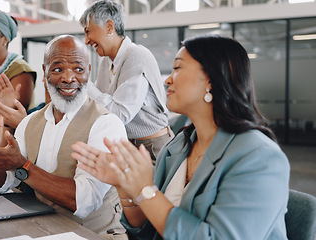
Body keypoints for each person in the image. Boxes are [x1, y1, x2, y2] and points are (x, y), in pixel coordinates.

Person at [71, 35, 290, 239]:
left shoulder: (260, 158)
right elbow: (148, 229)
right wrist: (124, 186)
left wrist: (145, 189)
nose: (167, 81)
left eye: (177, 68)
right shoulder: (178, 146)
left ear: (211, 80)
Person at [0, 35, 128, 238]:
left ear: (89, 72)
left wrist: (23, 166)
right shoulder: (30, 122)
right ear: (45, 72)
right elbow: (2, 184)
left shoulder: (106, 124)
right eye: (58, 69)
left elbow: (84, 201)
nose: (69, 78)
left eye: (78, 69)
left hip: (95, 234)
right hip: (41, 230)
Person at [79, 0, 172, 161]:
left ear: (109, 27)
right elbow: (100, 110)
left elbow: (119, 115)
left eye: (88, 31)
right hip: (127, 147)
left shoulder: (136, 56)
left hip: (152, 148)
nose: (86, 40)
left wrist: (85, 83)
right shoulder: (106, 62)